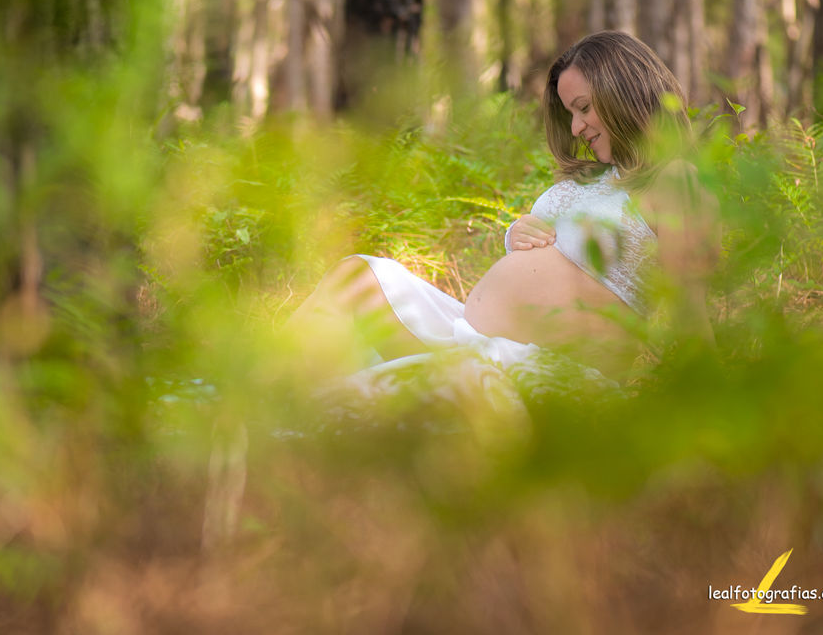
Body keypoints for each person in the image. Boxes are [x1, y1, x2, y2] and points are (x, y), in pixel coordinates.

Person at [285, 31, 720, 408]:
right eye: (570, 112)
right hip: (473, 338)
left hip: (539, 368)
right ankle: (256, 399)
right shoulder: (599, 179)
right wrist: (519, 233)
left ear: (624, 90)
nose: (575, 128)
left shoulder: (675, 181)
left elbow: (690, 314)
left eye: (584, 107)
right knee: (356, 276)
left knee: (362, 379)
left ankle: (261, 413)